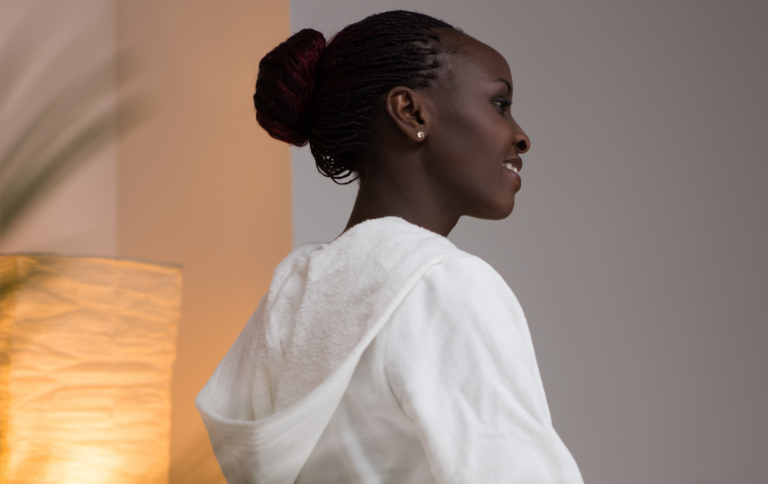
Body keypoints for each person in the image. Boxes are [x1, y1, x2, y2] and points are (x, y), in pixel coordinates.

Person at [196, 10, 583, 484]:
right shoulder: (445, 286)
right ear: (411, 112)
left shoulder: (290, 298)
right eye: (500, 104)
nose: (521, 136)